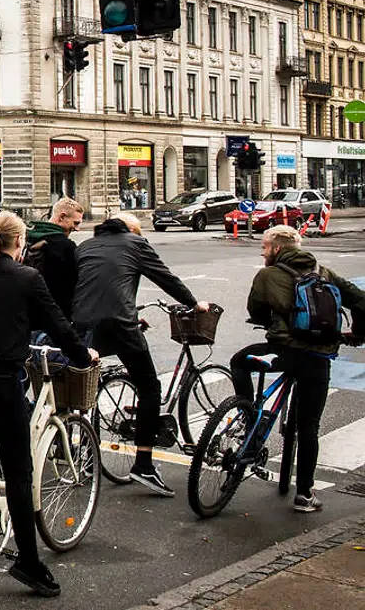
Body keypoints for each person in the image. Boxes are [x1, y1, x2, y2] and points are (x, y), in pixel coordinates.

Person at [0, 211, 96, 598]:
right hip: (1, 381)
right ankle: (29, 563)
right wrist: (84, 356)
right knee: (20, 470)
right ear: (20, 242)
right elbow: (59, 325)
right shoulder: (27, 277)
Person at [73, 211, 210, 497]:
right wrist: (194, 304)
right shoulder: (136, 243)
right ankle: (144, 464)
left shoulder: (86, 245)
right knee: (150, 387)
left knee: (87, 387)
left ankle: (84, 454)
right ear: (131, 230)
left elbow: (100, 287)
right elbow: (165, 278)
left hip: (83, 324)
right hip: (119, 324)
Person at [230, 225, 365, 513]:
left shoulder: (268, 275)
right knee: (309, 427)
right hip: (318, 358)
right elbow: (360, 301)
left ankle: (248, 418)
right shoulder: (325, 273)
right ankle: (304, 494)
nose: (262, 251)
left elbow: (256, 311)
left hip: (282, 353)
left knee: (239, 362)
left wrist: (271, 321)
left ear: (277, 249)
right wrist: (358, 333)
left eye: (265, 247)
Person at [24, 197, 84, 319]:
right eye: (75, 223)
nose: (77, 229)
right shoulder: (66, 247)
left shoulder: (27, 239)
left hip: (30, 313)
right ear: (62, 217)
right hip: (57, 315)